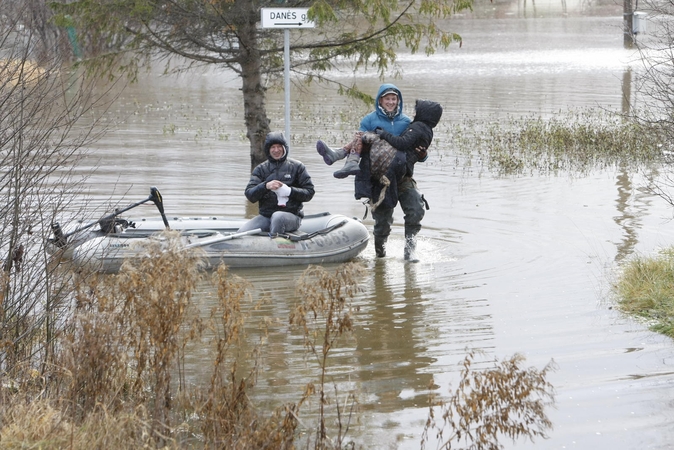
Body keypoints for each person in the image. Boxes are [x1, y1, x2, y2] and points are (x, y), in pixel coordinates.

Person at [316, 84, 411, 178]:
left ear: (398, 101)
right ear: (380, 100)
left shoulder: (406, 121)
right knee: (360, 135)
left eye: (393, 99)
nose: (391, 102)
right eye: (387, 99)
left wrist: (422, 155)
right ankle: (346, 159)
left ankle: (341, 154)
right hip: (373, 160)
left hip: (397, 162)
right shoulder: (369, 119)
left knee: (366, 135)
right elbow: (359, 141)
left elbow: (412, 143)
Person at [238, 131, 315, 235]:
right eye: (273, 147)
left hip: (291, 216)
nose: (276, 150)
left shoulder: (297, 167)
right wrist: (265, 186)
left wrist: (289, 191)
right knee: (241, 233)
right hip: (266, 217)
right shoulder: (260, 169)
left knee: (278, 217)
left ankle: (277, 245)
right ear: (268, 150)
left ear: (284, 148)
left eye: (279, 147)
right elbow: (250, 195)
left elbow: (309, 193)